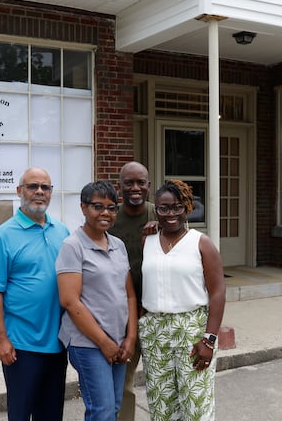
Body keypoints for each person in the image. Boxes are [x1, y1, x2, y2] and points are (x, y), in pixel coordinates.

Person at [0, 167, 70, 421]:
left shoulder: (62, 232)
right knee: (20, 412)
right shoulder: (3, 236)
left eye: (45, 187)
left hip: (57, 341)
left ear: (51, 193)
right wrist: (1, 340)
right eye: (33, 186)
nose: (39, 192)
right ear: (19, 191)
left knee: (51, 413)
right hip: (21, 344)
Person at [139, 180, 226, 421]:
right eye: (163, 208)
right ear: (156, 210)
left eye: (177, 207)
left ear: (187, 208)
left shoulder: (201, 243)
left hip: (193, 329)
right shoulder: (148, 241)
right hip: (155, 330)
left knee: (196, 405)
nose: (171, 214)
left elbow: (218, 292)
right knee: (161, 405)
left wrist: (209, 340)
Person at [56, 180, 138, 421]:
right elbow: (70, 301)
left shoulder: (118, 245)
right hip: (87, 343)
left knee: (112, 407)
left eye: (111, 208)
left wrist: (130, 338)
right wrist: (104, 342)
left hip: (118, 339)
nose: (105, 213)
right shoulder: (73, 246)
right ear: (83, 208)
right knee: (101, 411)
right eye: (97, 206)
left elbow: (130, 295)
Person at [107, 161, 157, 421]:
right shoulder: (109, 219)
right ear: (120, 187)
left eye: (141, 182)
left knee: (163, 382)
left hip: (158, 313)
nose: (135, 188)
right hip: (124, 316)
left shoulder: (162, 215)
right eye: (129, 183)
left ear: (149, 185)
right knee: (123, 383)